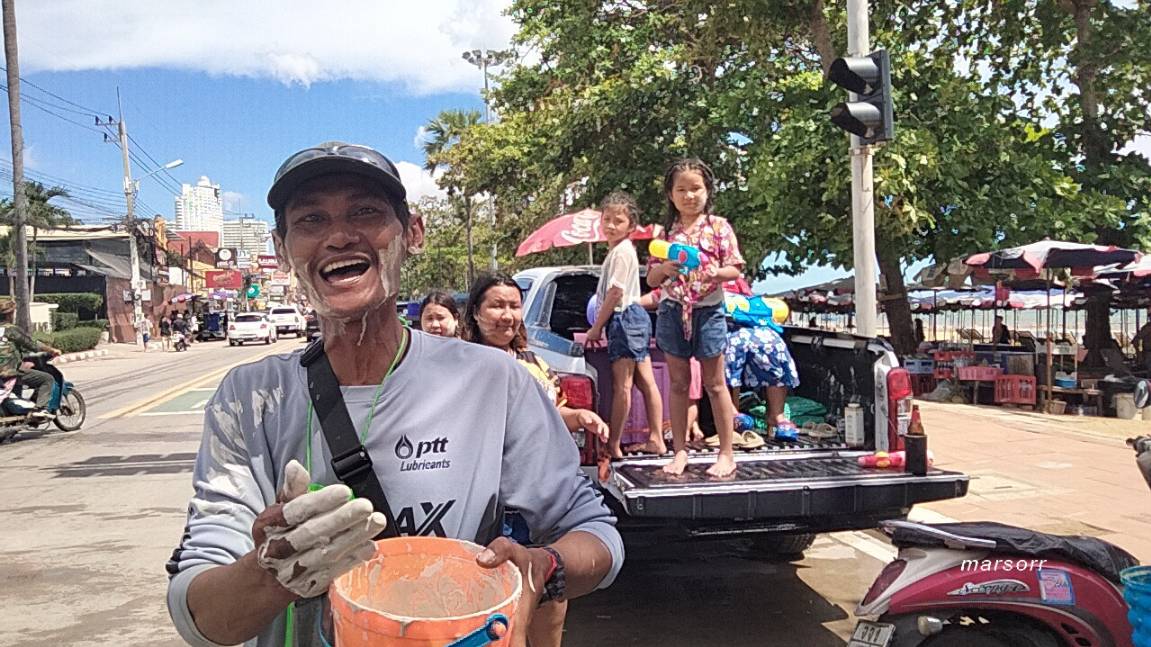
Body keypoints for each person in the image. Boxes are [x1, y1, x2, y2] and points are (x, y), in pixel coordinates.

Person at [165, 142, 623, 647]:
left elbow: (595, 533)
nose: (339, 236)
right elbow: (200, 617)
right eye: (311, 220)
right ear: (281, 250)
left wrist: (543, 568)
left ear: (412, 234)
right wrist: (269, 574)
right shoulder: (250, 400)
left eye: (365, 211)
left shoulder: (495, 381)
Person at [462, 272, 610, 647]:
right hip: (496, 503)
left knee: (549, 595)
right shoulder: (459, 366)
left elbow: (548, 413)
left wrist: (579, 417)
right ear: (475, 313)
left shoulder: (535, 363)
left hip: (542, 503)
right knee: (498, 604)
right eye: (496, 305)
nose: (507, 315)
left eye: (514, 306)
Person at [647, 158, 746, 477]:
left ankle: (727, 453)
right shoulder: (665, 233)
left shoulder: (719, 226)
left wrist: (717, 273)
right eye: (682, 190)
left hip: (709, 310)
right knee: (678, 383)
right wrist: (663, 269)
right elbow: (651, 279)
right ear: (670, 195)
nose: (689, 195)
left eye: (696, 188)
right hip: (673, 310)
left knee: (716, 384)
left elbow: (736, 267)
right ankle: (679, 452)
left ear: (707, 191)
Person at [585, 192, 666, 458]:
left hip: (624, 317)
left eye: (618, 221)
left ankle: (613, 444)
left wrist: (597, 326)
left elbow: (615, 292)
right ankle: (656, 439)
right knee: (645, 381)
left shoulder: (621, 253)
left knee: (623, 384)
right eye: (606, 219)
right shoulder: (620, 252)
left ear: (631, 226)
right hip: (636, 317)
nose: (610, 225)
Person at [725, 316, 801, 438]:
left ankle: (776, 416)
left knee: (774, 345)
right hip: (721, 321)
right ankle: (732, 414)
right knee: (732, 350)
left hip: (754, 321)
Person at [0, 300, 61, 418]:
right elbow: (32, 344)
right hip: (8, 372)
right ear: (9, 315)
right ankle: (41, 409)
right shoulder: (11, 330)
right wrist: (52, 350)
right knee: (47, 379)